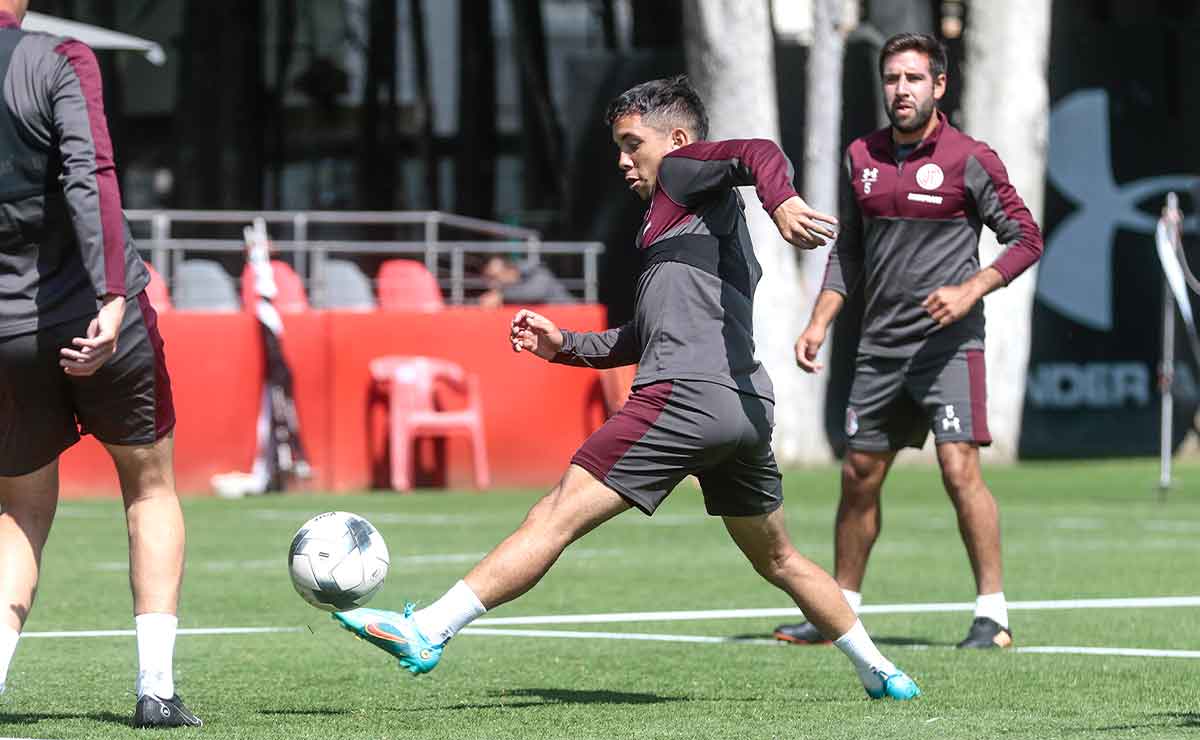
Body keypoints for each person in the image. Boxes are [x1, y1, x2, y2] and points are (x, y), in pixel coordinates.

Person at [332, 75, 921, 701]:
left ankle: (426, 629)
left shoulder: (680, 172)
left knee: (554, 516)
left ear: (678, 140)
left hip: (683, 399)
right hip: (744, 410)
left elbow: (757, 153)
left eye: (631, 143)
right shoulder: (693, 225)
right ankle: (881, 671)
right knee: (779, 559)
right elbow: (641, 337)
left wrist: (782, 203)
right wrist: (565, 346)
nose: (622, 160)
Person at [773, 33, 1043, 649]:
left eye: (914, 79)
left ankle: (992, 615)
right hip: (880, 348)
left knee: (957, 468)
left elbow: (1026, 237)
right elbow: (849, 251)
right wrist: (819, 321)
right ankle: (836, 612)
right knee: (859, 473)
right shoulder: (860, 156)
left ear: (938, 86)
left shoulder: (970, 158)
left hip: (949, 347)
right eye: (892, 79)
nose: (901, 90)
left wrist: (971, 290)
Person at [0, 2, 200, 728]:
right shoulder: (60, 58)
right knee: (148, 486)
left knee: (19, 510)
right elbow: (93, 174)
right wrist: (113, 295)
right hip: (93, 312)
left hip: (6, 333)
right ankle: (156, 690)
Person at [477, 255, 576, 308]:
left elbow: (536, 293)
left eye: (494, 277)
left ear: (510, 271)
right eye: (489, 278)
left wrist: (502, 296)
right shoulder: (512, 291)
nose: (492, 284)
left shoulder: (536, 271)